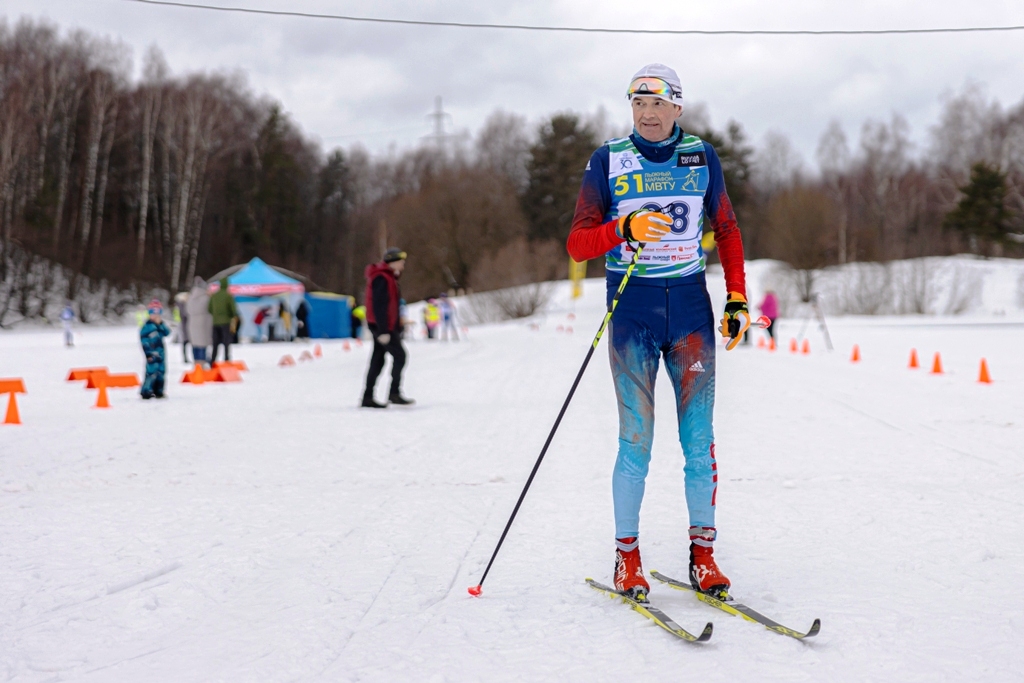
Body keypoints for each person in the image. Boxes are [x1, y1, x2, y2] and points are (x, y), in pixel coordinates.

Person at [566, 63, 750, 601]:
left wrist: (736, 295)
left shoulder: (701, 156)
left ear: (677, 107)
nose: (647, 115)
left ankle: (703, 554)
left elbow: (728, 228)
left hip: (691, 309)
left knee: (699, 442)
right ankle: (627, 557)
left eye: (657, 104)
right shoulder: (608, 160)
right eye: (637, 104)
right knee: (636, 442)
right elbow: (578, 244)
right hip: (634, 313)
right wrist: (622, 227)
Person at [361, 247, 414, 408]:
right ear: (393, 262)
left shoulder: (389, 277)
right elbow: (379, 306)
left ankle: (368, 397)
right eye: (401, 262)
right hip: (382, 327)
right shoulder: (381, 278)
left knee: (378, 360)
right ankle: (394, 393)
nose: (403, 266)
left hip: (386, 326)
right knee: (400, 356)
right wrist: (384, 331)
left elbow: (391, 305)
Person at [140, 300, 171, 399]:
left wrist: (161, 324)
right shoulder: (147, 326)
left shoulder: (160, 326)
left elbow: (167, 333)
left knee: (161, 372)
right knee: (151, 372)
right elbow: (143, 340)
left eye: (158, 313)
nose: (155, 316)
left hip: (161, 353)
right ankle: (146, 391)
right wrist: (147, 353)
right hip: (151, 354)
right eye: (153, 313)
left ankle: (159, 391)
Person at [208, 277, 239, 362]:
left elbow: (209, 309)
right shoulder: (228, 296)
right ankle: (226, 359)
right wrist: (230, 316)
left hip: (215, 322)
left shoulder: (214, 295)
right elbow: (233, 310)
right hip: (226, 322)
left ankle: (213, 360)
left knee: (215, 343)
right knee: (226, 342)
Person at [187, 277, 213, 366]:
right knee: (203, 344)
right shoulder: (206, 298)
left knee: (195, 345)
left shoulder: (191, 297)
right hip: (203, 324)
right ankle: (202, 364)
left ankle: (196, 364)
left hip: (192, 324)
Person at [174, 292, 190, 362]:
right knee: (185, 342)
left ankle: (185, 358)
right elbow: (184, 314)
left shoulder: (178, 305)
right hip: (184, 325)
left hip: (183, 324)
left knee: (185, 343)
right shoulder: (182, 305)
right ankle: (185, 358)